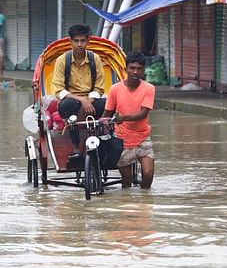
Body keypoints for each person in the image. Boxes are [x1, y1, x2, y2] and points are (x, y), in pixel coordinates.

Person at [102, 51, 156, 189]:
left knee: (148, 173)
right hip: (122, 139)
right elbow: (107, 113)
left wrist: (124, 118)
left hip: (143, 137)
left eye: (139, 69)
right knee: (126, 180)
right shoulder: (115, 89)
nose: (135, 72)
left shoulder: (149, 88)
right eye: (132, 68)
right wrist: (100, 124)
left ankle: (145, 201)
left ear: (143, 70)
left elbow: (143, 113)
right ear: (126, 69)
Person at [51, 23, 106, 155]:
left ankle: (102, 141)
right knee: (69, 107)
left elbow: (99, 87)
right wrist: (82, 100)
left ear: (88, 41)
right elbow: (59, 89)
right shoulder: (62, 60)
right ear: (70, 41)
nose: (79, 45)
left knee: (107, 105)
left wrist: (88, 100)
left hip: (92, 99)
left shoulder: (95, 59)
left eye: (83, 41)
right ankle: (76, 146)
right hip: (71, 100)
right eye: (76, 41)